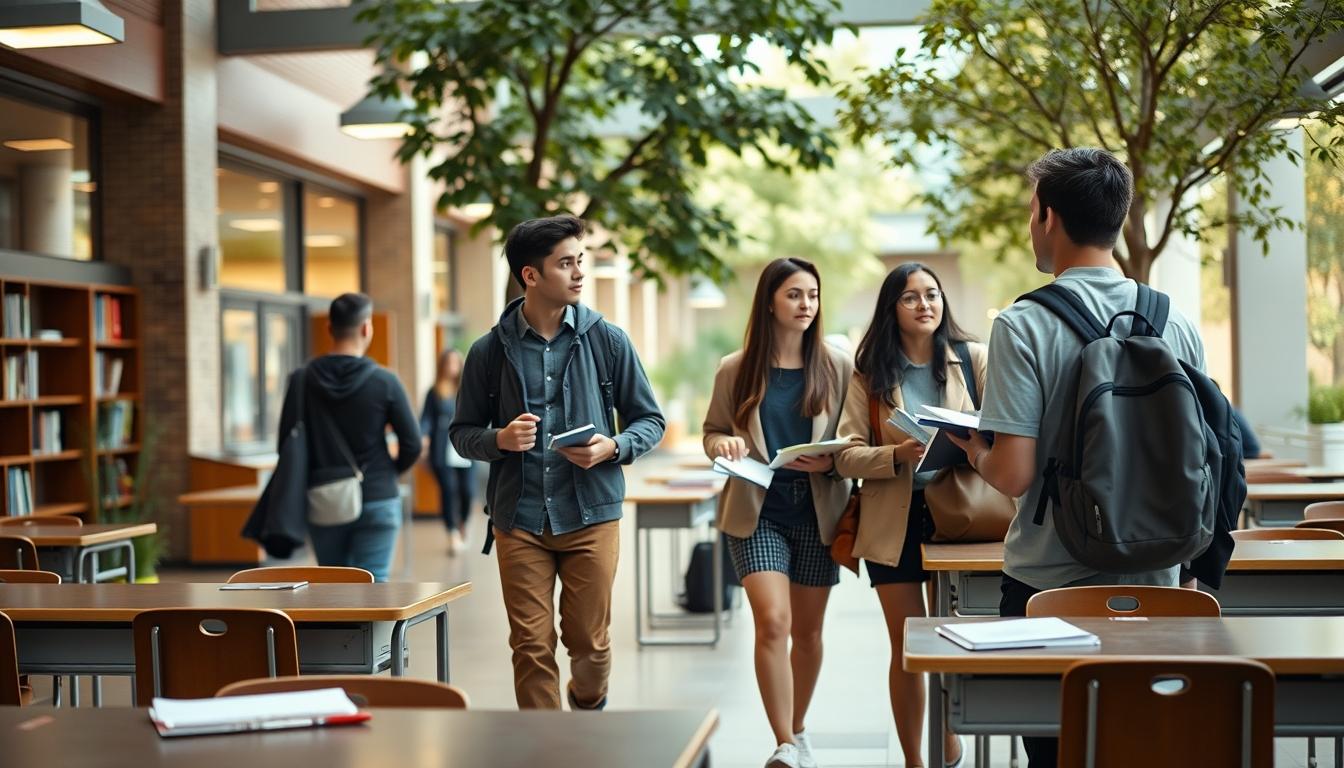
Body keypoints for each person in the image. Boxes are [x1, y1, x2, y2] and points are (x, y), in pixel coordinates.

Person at [949, 148, 1207, 767]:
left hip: (1051, 586)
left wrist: (975, 450)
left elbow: (1014, 474)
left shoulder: (1022, 324)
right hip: (1161, 584)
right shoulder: (1175, 322)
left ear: (1047, 215)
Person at [450, 214, 665, 711]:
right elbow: (461, 434)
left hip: (592, 516)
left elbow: (649, 421)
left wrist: (612, 447)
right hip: (519, 519)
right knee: (530, 646)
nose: (578, 273)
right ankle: (546, 751)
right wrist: (499, 439)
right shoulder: (488, 351)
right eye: (565, 263)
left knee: (589, 645)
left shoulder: (609, 341)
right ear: (530, 275)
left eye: (579, 261)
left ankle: (587, 705)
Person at [702, 258, 853, 768]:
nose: (805, 304)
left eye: (812, 294)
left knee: (808, 633)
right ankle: (784, 742)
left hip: (817, 509)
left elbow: (856, 437)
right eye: (794, 294)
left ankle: (800, 727)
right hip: (756, 509)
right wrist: (722, 441)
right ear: (769, 300)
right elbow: (712, 431)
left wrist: (832, 456)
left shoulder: (837, 365)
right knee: (773, 621)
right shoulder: (735, 368)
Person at [834, 263, 980, 768]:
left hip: (962, 514)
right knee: (908, 644)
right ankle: (916, 761)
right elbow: (845, 454)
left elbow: (1005, 431)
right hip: (893, 517)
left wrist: (969, 441)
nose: (925, 305)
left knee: (951, 636)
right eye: (911, 298)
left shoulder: (973, 358)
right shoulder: (869, 373)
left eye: (932, 295)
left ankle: (948, 734)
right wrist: (896, 455)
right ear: (891, 309)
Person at [276, 292, 422, 582]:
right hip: (378, 495)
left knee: (333, 588)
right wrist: (388, 474)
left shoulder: (302, 379)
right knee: (374, 584)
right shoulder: (385, 381)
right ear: (366, 328)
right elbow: (413, 443)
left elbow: (286, 443)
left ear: (329, 328)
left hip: (324, 497)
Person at [421, 349, 476, 555]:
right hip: (442, 448)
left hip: (465, 447)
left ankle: (463, 522)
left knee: (467, 491)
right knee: (448, 490)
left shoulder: (468, 390)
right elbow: (426, 419)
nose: (452, 367)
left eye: (456, 363)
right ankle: (452, 532)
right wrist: (423, 438)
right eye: (448, 363)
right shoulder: (434, 392)